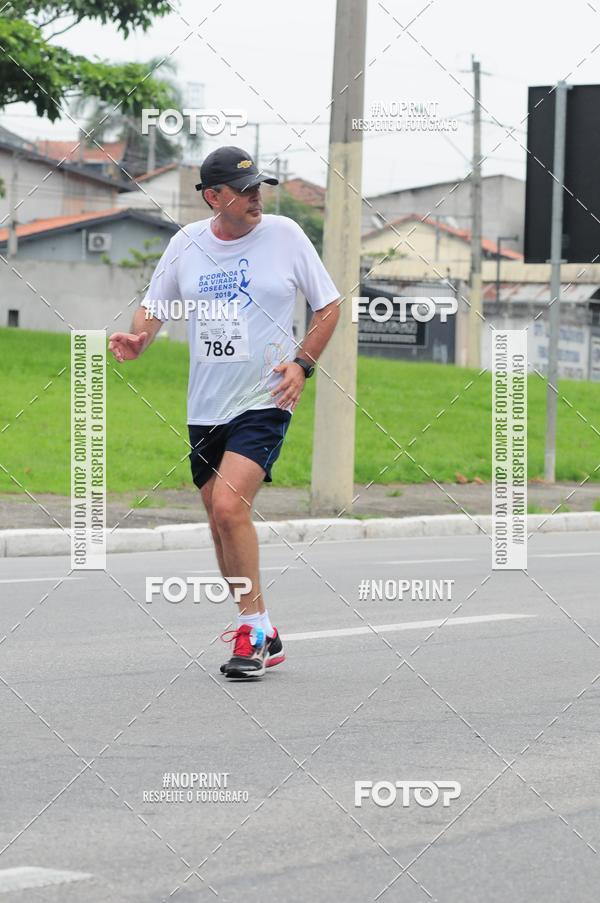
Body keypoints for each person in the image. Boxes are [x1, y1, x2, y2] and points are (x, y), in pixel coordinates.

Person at [108, 146, 340, 679]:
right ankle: (261, 625)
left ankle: (252, 633)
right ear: (214, 197)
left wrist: (302, 364)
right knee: (218, 519)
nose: (257, 196)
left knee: (231, 509)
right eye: (245, 189)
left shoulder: (284, 236)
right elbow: (157, 304)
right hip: (205, 406)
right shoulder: (187, 244)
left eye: (260, 186)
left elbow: (328, 305)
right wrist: (140, 339)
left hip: (264, 398)